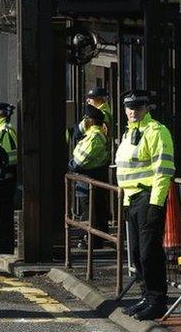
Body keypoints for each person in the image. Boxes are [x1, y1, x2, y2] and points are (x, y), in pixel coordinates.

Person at [116, 90, 175, 321]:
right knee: (138, 254)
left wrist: (156, 204)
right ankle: (146, 297)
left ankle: (157, 301)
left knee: (150, 253)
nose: (132, 111)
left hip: (148, 197)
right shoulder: (129, 133)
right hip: (131, 199)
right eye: (129, 107)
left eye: (138, 107)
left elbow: (164, 169)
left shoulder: (157, 131)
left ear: (147, 108)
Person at [68, 104, 110, 249]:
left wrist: (72, 163)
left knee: (91, 213)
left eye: (85, 118)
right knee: (94, 212)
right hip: (90, 180)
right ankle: (93, 239)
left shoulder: (94, 136)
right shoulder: (94, 134)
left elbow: (79, 161)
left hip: (89, 179)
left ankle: (93, 242)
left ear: (90, 120)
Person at [0, 102, 18, 254]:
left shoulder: (3, 131)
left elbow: (10, 157)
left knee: (3, 216)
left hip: (4, 180)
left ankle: (6, 248)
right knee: (1, 216)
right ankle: (3, 246)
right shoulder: (0, 130)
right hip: (2, 179)